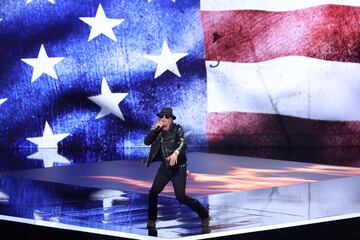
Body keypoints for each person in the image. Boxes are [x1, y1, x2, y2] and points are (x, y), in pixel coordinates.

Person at [144, 107, 210, 229]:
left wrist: (176, 153)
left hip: (178, 167)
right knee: (153, 192)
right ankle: (151, 220)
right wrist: (155, 130)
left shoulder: (177, 128)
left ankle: (204, 214)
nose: (163, 119)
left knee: (180, 197)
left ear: (171, 120)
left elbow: (183, 142)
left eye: (166, 117)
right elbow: (146, 142)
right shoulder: (157, 131)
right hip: (165, 166)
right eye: (161, 116)